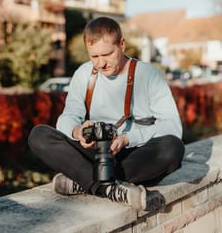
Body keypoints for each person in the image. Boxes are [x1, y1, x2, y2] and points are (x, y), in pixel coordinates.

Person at [28, 16, 185, 211]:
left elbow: (172, 126)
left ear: (122, 44)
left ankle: (84, 181)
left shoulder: (148, 75)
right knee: (39, 135)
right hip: (95, 153)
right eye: (94, 56)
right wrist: (77, 131)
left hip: (133, 154)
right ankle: (110, 189)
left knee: (173, 147)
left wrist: (128, 138)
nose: (101, 64)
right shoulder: (84, 74)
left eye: (107, 54)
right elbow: (68, 117)